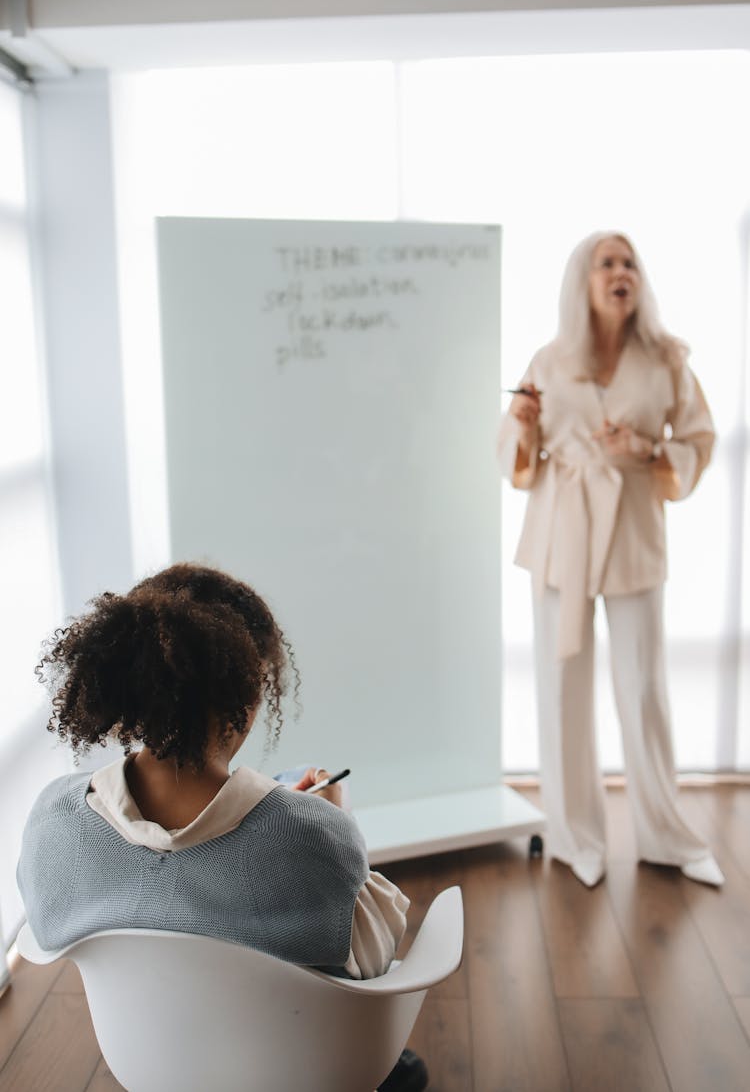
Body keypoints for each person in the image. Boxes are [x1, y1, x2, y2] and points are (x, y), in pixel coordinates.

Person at [17, 562, 427, 1092]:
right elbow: (372, 958)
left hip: (149, 1063)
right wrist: (325, 817)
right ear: (251, 700)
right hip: (300, 1068)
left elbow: (52, 921)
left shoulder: (55, 821)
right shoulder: (314, 835)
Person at [497, 231, 723, 890]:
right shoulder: (551, 356)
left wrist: (650, 449)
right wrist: (524, 422)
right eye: (607, 262)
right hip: (561, 527)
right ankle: (574, 837)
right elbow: (518, 455)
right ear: (584, 279)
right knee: (561, 683)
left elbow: (700, 438)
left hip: (631, 528)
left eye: (630, 262)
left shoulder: (667, 359)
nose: (621, 271)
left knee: (644, 685)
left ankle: (667, 837)